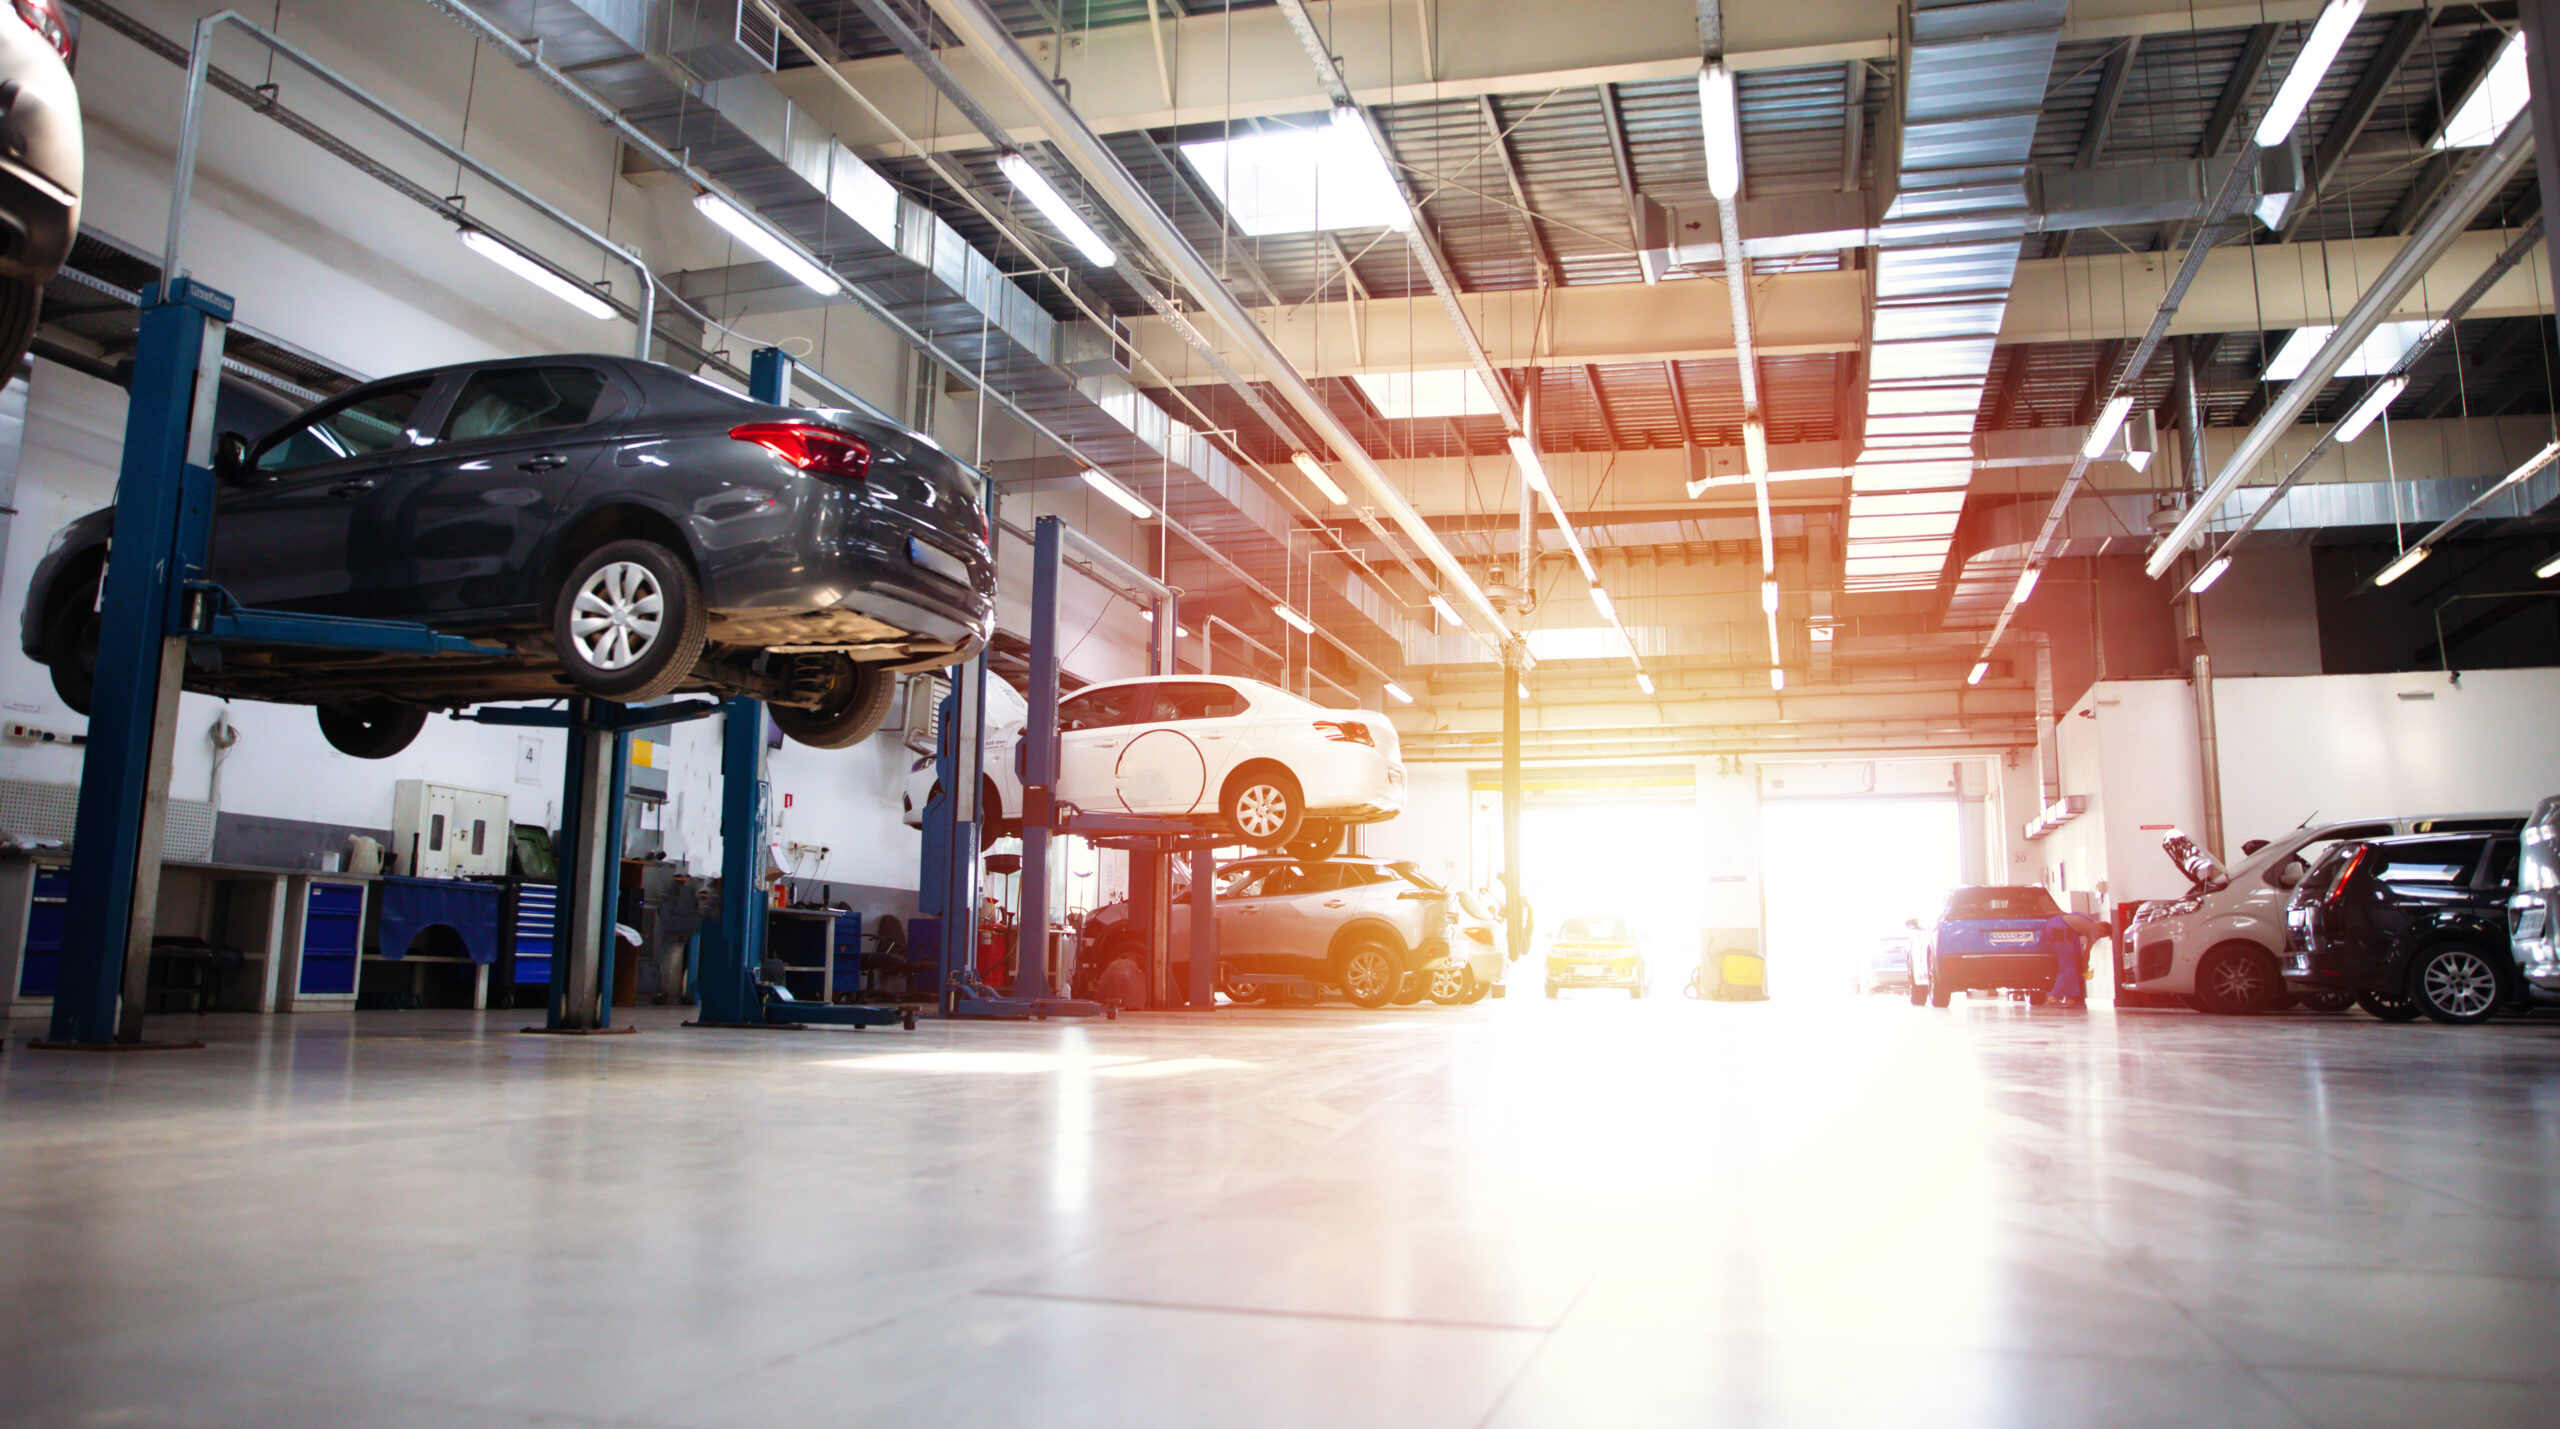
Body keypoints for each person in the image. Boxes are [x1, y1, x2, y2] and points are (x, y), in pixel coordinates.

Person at [2048, 909, 2111, 1009]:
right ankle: (2053, 996)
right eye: (2103, 935)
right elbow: (2086, 953)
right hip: (2061, 929)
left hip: (2053, 923)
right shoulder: (2094, 930)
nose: (2099, 937)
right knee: (2067, 967)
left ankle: (2070, 997)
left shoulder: (2087, 919)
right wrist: (2085, 967)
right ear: (2103, 929)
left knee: (2072, 965)